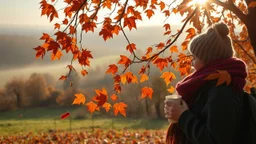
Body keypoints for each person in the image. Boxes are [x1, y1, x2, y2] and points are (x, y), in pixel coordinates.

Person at [164, 22, 248, 144]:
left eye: (195, 58)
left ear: (208, 61)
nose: (192, 63)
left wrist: (183, 116)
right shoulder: (205, 85)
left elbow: (214, 140)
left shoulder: (221, 90)